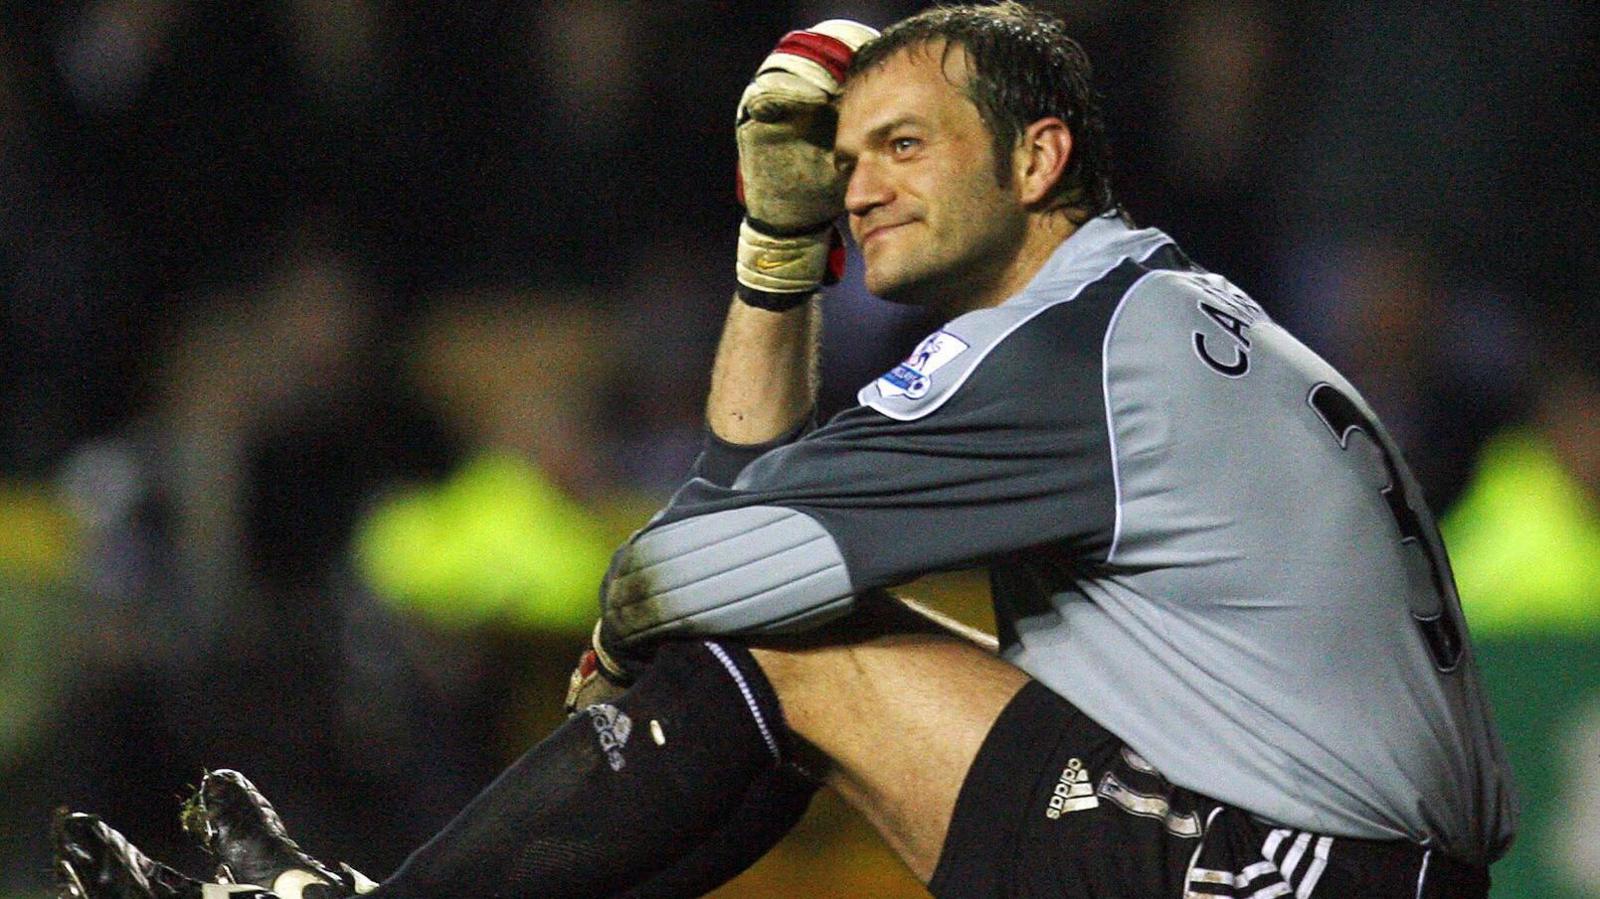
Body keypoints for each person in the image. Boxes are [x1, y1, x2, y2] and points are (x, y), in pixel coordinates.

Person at [54, 5, 1516, 898]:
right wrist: (781, 249)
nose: (852, 182)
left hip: (1285, 872)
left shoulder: (1076, 345)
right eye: (842, 154)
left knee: (781, 645)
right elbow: (743, 532)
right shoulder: (1155, 314)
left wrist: (630, 638)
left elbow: (699, 563)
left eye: (901, 146)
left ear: (1039, 160)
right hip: (1323, 858)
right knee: (783, 646)